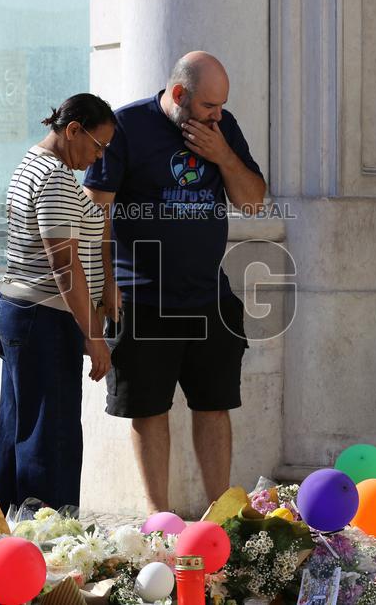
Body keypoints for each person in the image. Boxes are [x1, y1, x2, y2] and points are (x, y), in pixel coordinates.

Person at [83, 51, 267, 513]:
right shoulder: (126, 127)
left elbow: (252, 202)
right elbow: (93, 212)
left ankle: (221, 514)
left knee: (214, 405)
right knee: (149, 411)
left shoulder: (224, 129)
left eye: (222, 106)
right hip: (142, 299)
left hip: (209, 296)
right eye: (208, 106)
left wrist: (223, 154)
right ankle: (158, 519)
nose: (217, 115)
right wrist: (105, 285)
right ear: (180, 94)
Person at [0, 93, 118, 511]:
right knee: (49, 443)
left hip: (23, 313)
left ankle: (7, 547)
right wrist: (93, 334)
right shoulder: (56, 178)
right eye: (97, 146)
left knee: (20, 435)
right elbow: (64, 266)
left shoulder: (33, 163)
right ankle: (47, 555)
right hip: (43, 318)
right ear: (73, 130)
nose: (98, 159)